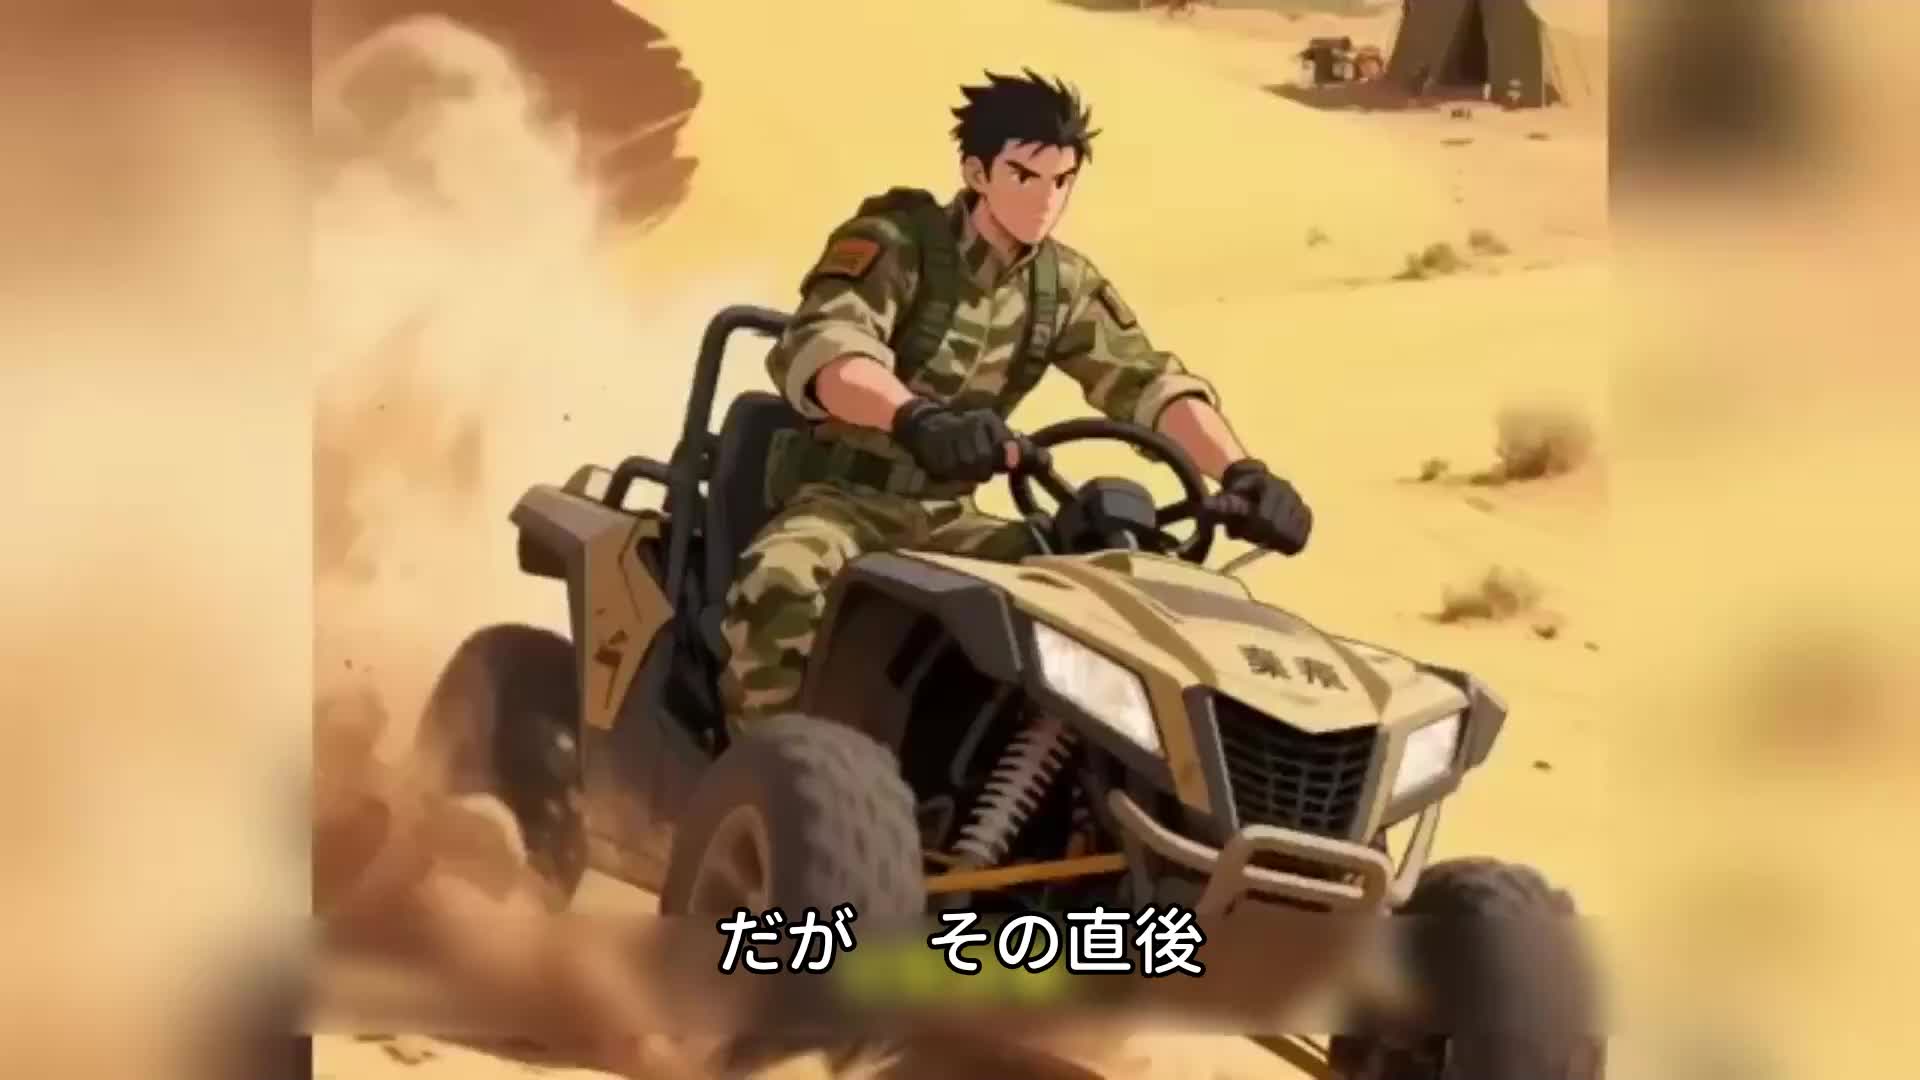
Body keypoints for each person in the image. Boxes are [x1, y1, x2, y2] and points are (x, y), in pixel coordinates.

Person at [717, 69, 1313, 730]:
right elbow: (828, 350)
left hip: (952, 521)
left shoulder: (1063, 286)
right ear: (977, 173)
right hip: (841, 504)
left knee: (1102, 611)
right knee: (784, 585)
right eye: (1025, 177)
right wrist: (915, 418)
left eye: (1063, 182)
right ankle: (763, 772)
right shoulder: (897, 243)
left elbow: (1147, 382)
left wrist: (1242, 473)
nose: (1046, 201)